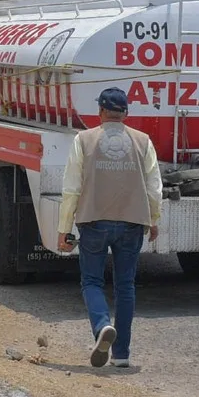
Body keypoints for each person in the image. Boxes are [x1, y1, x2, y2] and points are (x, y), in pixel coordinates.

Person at [55, 86, 162, 368]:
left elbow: (71, 188)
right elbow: (154, 187)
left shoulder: (84, 140)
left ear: (101, 111)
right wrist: (154, 219)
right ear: (125, 113)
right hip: (132, 222)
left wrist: (64, 227)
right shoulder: (143, 141)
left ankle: (102, 326)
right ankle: (122, 354)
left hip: (94, 221)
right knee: (126, 285)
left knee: (91, 281)